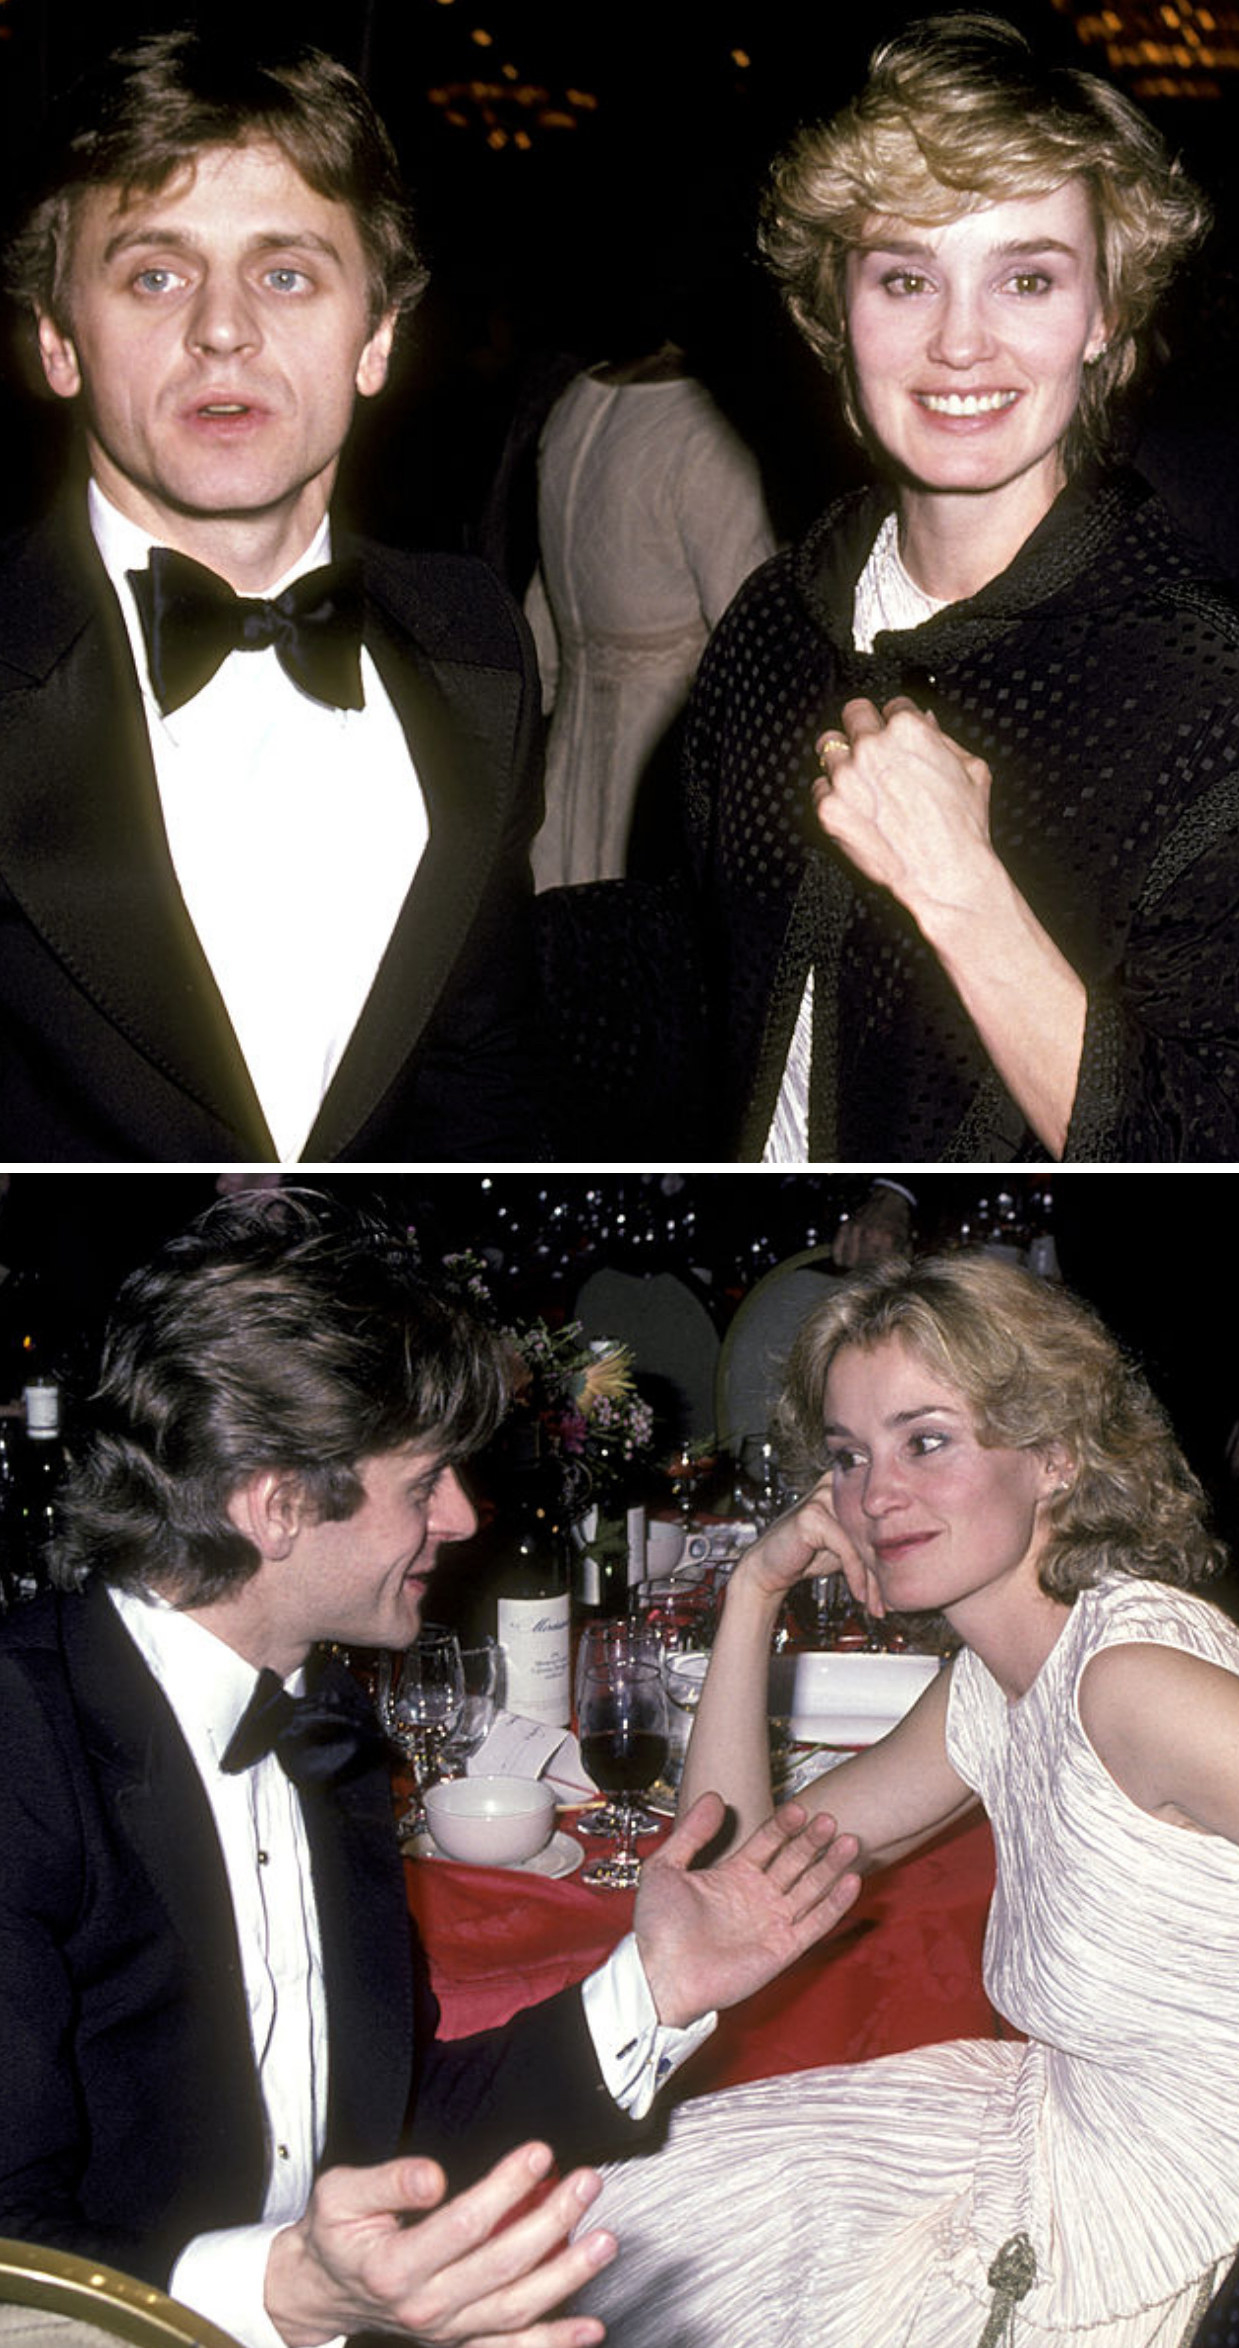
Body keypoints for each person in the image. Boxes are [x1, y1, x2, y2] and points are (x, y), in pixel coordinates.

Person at [0, 1189, 861, 2348]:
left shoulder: (323, 1714)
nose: (461, 1515)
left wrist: (653, 1984)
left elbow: (398, 2130)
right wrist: (283, 2291)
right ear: (276, 1508)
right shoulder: (21, 1748)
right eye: (423, 1483)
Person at [572, 1249, 1239, 2346]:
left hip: (1209, 2218)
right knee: (620, 2222)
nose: (877, 1495)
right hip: (1053, 2134)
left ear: (1055, 1455)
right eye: (848, 1455)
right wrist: (755, 1590)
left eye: (928, 1440)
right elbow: (731, 1874)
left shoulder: (1135, 1680)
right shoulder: (997, 1682)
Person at [680, 13, 1239, 1160]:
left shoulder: (1220, 712)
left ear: (1104, 314)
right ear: (837, 314)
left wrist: (963, 890)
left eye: (1027, 277)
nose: (961, 343)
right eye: (906, 278)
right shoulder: (771, 625)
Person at [0, 30, 544, 1162]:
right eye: (156, 273)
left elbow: (481, 1082)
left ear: (376, 336)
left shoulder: (476, 644)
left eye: (285, 272)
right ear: (60, 341)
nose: (224, 327)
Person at [526, 341, 775, 890]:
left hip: (566, 760)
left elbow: (541, 625)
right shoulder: (703, 428)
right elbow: (757, 631)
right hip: (659, 776)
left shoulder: (577, 400)